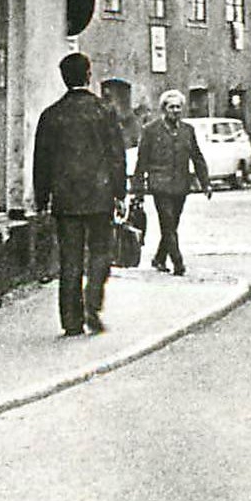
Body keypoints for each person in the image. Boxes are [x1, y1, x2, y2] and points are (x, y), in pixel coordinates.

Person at [33, 52, 127, 336]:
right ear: (88, 75)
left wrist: (42, 198)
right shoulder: (104, 111)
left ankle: (71, 321)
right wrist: (120, 192)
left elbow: (42, 161)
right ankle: (93, 302)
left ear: (64, 78)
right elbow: (116, 156)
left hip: (65, 199)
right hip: (100, 196)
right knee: (101, 252)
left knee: (70, 259)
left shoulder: (51, 115)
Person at [132, 91, 210, 275]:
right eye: (171, 107)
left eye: (178, 107)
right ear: (164, 109)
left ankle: (159, 258)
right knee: (167, 223)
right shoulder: (150, 130)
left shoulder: (187, 131)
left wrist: (205, 183)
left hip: (181, 186)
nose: (176, 110)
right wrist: (138, 188)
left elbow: (197, 157)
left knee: (172, 225)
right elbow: (141, 160)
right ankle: (178, 263)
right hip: (159, 185)